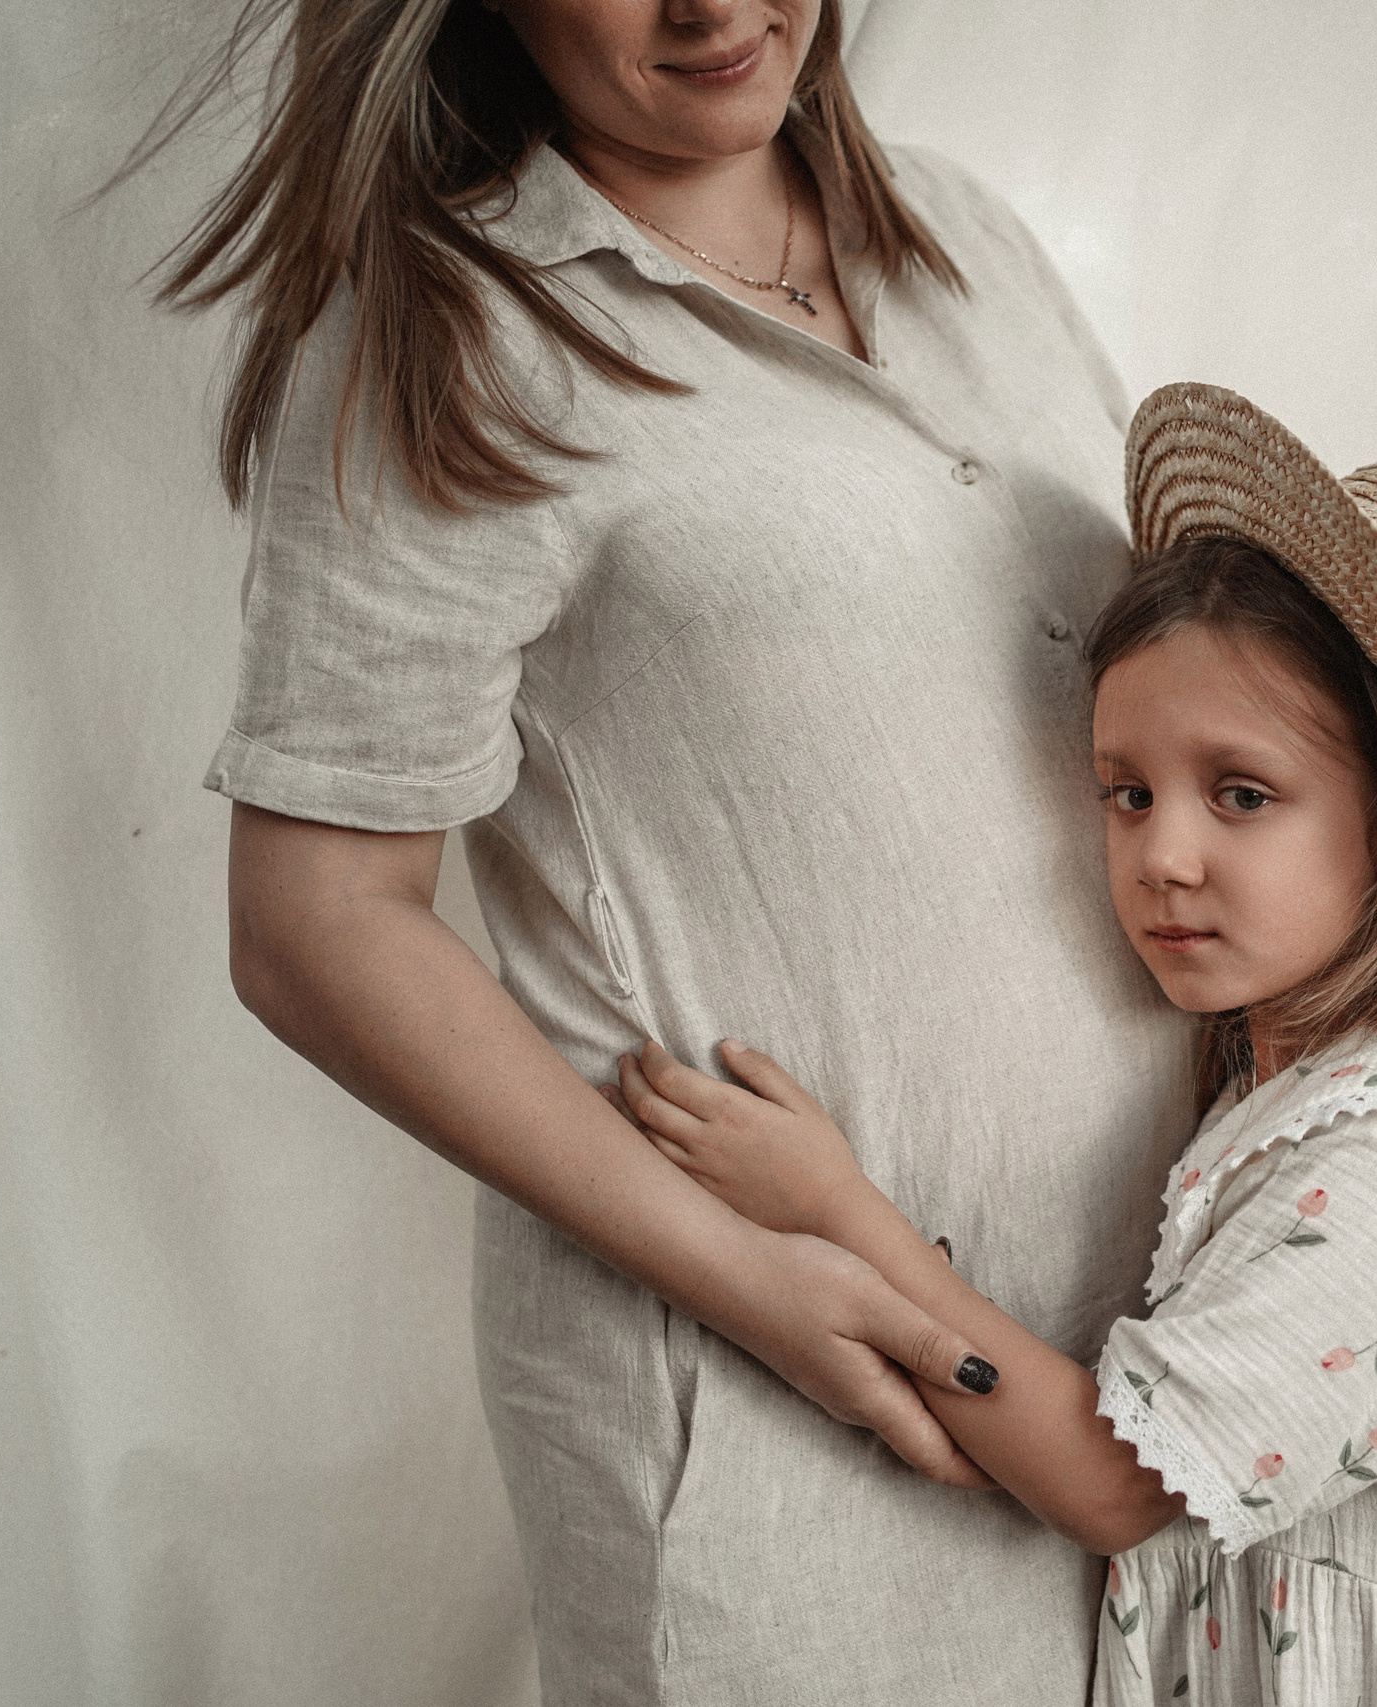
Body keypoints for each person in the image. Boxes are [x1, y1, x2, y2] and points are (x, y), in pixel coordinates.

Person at [169, 0, 1191, 1699]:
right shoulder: (451, 335)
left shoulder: (965, 241)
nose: (713, 6)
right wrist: (763, 1287)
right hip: (773, 1399)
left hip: (1137, 1372)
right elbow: (317, 922)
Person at [610, 384, 1377, 1703]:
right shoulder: (1327, 1085)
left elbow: (1114, 1487)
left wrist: (835, 1212)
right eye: (1127, 791)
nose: (1161, 855)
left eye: (1241, 795)